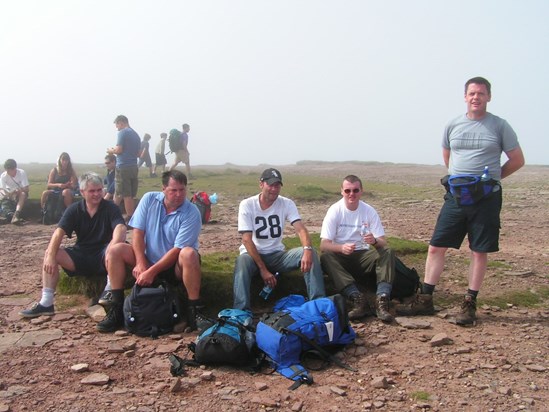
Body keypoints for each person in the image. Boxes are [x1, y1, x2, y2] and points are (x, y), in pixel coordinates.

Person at [396, 77, 525, 326]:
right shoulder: (453, 124)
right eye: (472, 93)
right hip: (456, 196)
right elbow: (448, 155)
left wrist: (494, 179)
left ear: (489, 97)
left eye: (481, 93)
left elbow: (517, 159)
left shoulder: (500, 126)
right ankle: (426, 298)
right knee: (436, 246)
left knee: (478, 251)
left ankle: (469, 302)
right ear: (465, 96)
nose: (476, 97)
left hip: (486, 197)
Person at [97, 170, 203, 333]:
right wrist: (141, 264)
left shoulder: (192, 212)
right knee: (115, 250)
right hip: (147, 259)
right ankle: (116, 309)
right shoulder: (149, 199)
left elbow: (177, 250)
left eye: (182, 190)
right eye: (173, 190)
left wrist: (151, 272)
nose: (178, 194)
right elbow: (138, 233)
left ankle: (194, 311)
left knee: (188, 253)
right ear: (163, 189)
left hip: (174, 265)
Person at [19, 172, 126, 318]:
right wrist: (50, 256)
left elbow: (120, 228)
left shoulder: (111, 207)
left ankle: (109, 291)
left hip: (104, 253)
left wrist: (112, 247)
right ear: (82, 192)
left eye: (99, 190)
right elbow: (58, 233)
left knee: (116, 249)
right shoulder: (74, 209)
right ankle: (46, 302)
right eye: (92, 191)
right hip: (82, 253)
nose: (96, 194)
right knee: (52, 252)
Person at [233, 168, 326, 311]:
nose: (274, 189)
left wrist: (307, 249)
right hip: (252, 256)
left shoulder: (287, 203)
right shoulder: (247, 205)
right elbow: (246, 240)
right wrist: (263, 269)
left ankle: (319, 304)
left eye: (277, 185)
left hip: (277, 255)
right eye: (270, 185)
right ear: (261, 184)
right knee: (242, 262)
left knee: (310, 253)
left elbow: (300, 228)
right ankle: (241, 311)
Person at [320, 175, 395, 323]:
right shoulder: (335, 210)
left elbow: (383, 242)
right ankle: (357, 298)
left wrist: (374, 241)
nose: (351, 194)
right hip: (341, 256)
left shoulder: (369, 211)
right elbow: (324, 244)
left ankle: (382, 299)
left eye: (355, 190)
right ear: (341, 191)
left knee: (388, 252)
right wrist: (341, 247)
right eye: (347, 190)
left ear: (361, 191)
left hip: (363, 254)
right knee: (325, 256)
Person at [107, 115, 141, 222]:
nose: (117, 128)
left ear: (121, 122)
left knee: (122, 193)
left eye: (117, 125)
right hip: (133, 166)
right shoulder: (136, 134)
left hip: (123, 165)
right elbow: (138, 153)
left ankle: (123, 216)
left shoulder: (123, 133)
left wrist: (111, 151)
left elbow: (119, 150)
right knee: (129, 193)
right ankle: (113, 214)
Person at [0, 159, 29, 224]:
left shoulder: (21, 173)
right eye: (6, 170)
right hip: (8, 194)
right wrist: (7, 193)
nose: (8, 172)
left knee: (23, 194)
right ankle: (10, 215)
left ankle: (16, 214)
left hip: (20, 193)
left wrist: (18, 190)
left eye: (9, 170)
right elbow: (2, 188)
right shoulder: (3, 176)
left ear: (14, 168)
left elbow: (27, 189)